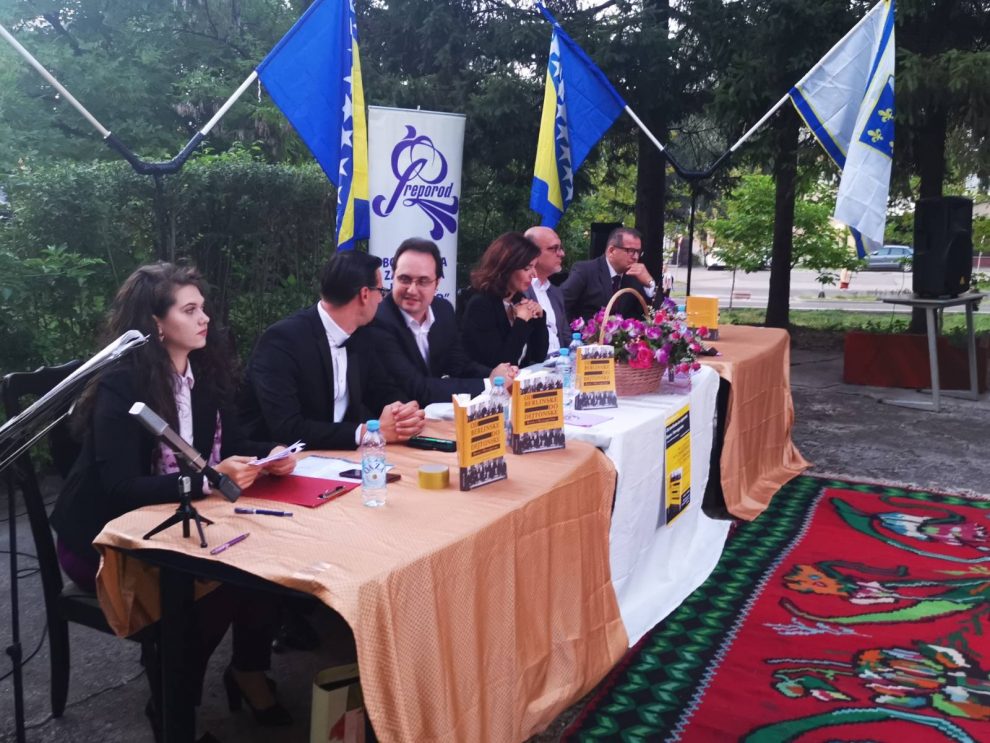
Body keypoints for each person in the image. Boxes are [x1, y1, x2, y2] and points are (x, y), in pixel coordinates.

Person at [51, 262, 295, 736]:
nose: (205, 318)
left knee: (270, 559)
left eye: (202, 307)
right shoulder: (123, 384)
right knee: (216, 585)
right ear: (156, 323)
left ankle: (247, 669)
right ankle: (172, 708)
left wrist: (273, 457)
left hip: (182, 522)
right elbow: (120, 488)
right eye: (189, 310)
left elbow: (233, 446)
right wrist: (207, 482)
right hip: (105, 538)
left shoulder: (204, 370)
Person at [242, 250, 425, 450]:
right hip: (279, 461)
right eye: (380, 291)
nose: (381, 300)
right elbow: (287, 429)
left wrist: (404, 412)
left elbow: (381, 389)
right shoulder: (281, 341)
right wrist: (367, 432)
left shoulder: (362, 334)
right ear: (364, 294)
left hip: (343, 457)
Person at [367, 237, 517, 406]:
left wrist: (499, 375)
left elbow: (459, 365)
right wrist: (490, 384)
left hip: (435, 411)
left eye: (423, 281)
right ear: (393, 277)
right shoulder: (378, 320)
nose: (412, 290)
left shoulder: (443, 310)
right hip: (396, 414)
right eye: (404, 279)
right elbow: (418, 389)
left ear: (437, 283)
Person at [460, 232, 550, 368]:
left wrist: (539, 318)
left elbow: (539, 356)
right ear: (507, 268)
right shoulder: (481, 305)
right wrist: (521, 322)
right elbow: (500, 366)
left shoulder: (518, 299)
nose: (534, 274)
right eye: (527, 268)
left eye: (534, 267)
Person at [561, 226, 657, 323]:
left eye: (638, 252)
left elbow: (650, 315)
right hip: (588, 331)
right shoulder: (585, 271)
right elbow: (561, 304)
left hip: (625, 332)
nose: (635, 257)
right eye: (631, 251)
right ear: (611, 251)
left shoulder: (636, 276)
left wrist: (649, 284)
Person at [524, 225, 571, 354]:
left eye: (560, 248)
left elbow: (566, 338)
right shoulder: (518, 291)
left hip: (561, 362)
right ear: (532, 253)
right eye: (554, 248)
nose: (561, 254)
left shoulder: (556, 292)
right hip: (533, 364)